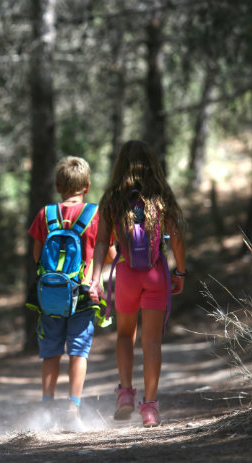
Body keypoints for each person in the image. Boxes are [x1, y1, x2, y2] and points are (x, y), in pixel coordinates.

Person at [89, 140, 186, 427]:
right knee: (152, 341)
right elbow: (177, 236)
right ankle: (150, 409)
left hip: (126, 275)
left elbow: (102, 242)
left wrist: (95, 278)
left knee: (124, 336)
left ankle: (125, 394)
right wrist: (180, 272)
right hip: (156, 274)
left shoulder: (112, 199)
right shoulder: (161, 196)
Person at [27, 156, 115, 432]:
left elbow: (36, 255)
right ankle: (72, 410)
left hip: (51, 297)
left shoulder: (45, 214)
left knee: (51, 352)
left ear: (57, 185)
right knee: (79, 352)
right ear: (87, 186)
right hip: (85, 295)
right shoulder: (95, 214)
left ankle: (46, 409)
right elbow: (110, 255)